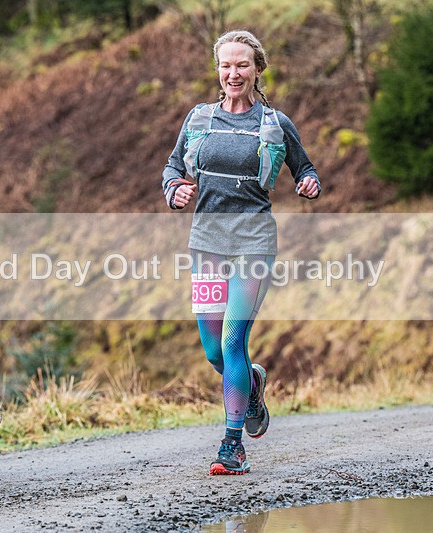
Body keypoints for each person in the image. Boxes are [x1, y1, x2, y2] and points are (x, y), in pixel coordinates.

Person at [162, 30, 320, 475]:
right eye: (226, 65)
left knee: (234, 339)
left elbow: (303, 167)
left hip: (253, 242)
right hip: (206, 244)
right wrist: (173, 189)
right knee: (214, 351)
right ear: (218, 70)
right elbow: (173, 166)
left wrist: (309, 183)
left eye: (242, 65)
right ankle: (253, 384)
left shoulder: (274, 123)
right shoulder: (198, 119)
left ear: (257, 69)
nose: (234, 73)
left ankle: (232, 445)